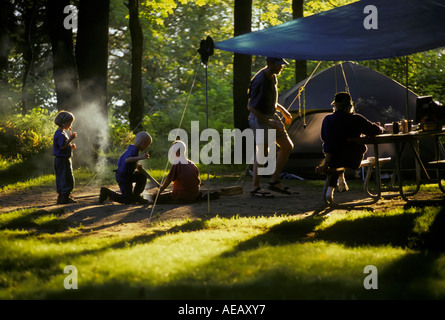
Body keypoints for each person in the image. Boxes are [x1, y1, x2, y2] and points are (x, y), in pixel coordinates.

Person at [317, 92, 384, 204]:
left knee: (335, 155)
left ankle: (330, 190)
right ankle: (337, 183)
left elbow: (326, 142)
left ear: (335, 105)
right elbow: (376, 131)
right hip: (353, 160)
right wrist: (380, 127)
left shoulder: (328, 120)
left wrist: (326, 162)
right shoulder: (357, 119)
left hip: (335, 159)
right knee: (346, 152)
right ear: (350, 105)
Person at [247, 57, 294, 197]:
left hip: (271, 115)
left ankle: (274, 181)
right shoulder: (260, 81)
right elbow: (251, 107)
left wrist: (283, 111)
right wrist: (268, 122)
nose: (281, 67)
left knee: (287, 146)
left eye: (282, 65)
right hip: (259, 118)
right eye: (279, 65)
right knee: (263, 152)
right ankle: (255, 187)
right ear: (270, 63)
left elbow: (272, 101)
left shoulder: (272, 76)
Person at [99, 131, 153, 205]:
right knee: (127, 199)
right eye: (147, 145)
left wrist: (136, 164)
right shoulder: (134, 149)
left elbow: (124, 161)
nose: (146, 147)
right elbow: (127, 160)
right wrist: (140, 157)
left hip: (127, 175)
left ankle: (136, 196)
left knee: (141, 176)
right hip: (124, 177)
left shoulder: (131, 148)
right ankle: (107, 192)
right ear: (143, 142)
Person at [53, 110, 77, 204]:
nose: (70, 126)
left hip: (60, 159)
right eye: (69, 123)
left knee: (62, 177)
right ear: (64, 122)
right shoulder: (60, 134)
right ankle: (65, 196)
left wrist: (71, 145)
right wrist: (71, 139)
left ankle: (62, 196)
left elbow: (64, 145)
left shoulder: (61, 133)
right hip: (62, 159)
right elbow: (62, 146)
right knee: (66, 177)